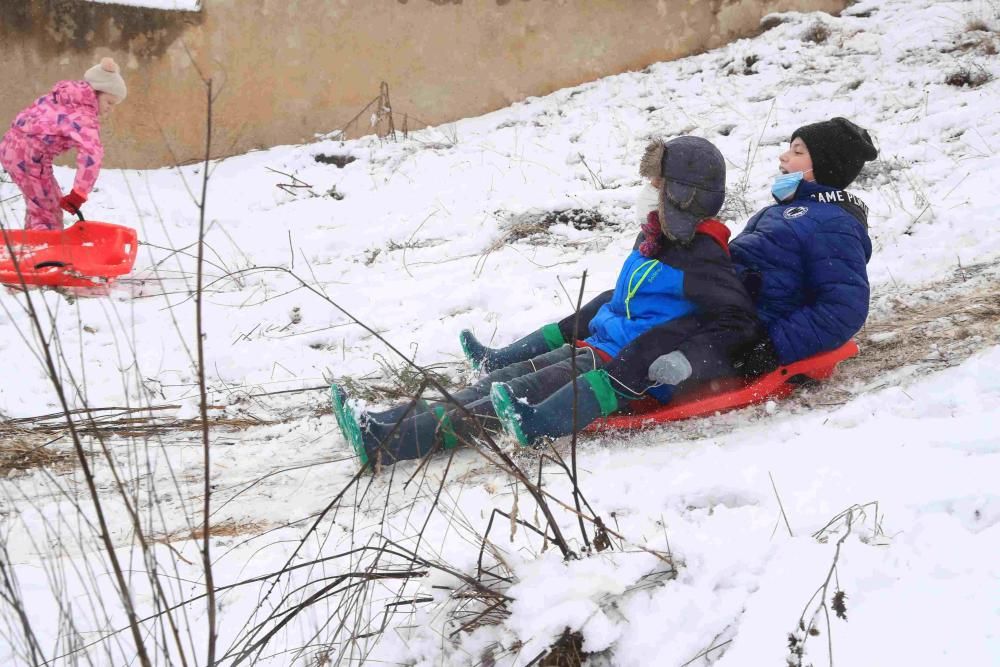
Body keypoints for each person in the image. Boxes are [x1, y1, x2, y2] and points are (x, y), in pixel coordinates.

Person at [332, 135, 760, 467]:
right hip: (591, 347)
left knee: (502, 400)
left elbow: (737, 320)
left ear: (683, 194)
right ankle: (388, 420)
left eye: (657, 184)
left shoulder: (703, 257)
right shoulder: (657, 239)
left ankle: (384, 442)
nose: (648, 191)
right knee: (489, 387)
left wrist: (686, 357)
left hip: (614, 363)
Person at [727, 117, 877, 375]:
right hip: (721, 304)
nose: (784, 157)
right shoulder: (776, 211)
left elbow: (843, 306)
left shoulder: (834, 223)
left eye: (797, 151)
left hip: (745, 328)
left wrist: (772, 347)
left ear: (825, 165)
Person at [0, 57, 126, 231]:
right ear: (96, 92)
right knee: (47, 213)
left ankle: (29, 245)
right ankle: (42, 253)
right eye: (109, 102)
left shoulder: (65, 96)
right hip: (29, 158)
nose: (110, 109)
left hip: (14, 149)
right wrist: (79, 194)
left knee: (45, 203)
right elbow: (92, 154)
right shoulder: (85, 115)